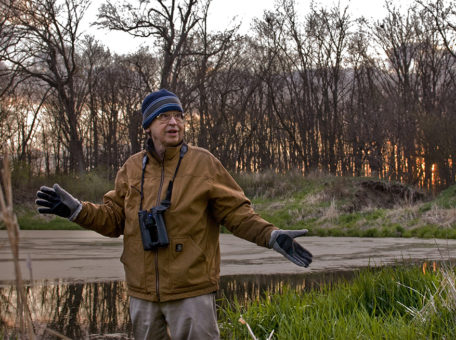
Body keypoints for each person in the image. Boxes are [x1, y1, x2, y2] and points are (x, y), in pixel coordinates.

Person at [35, 89, 312, 340]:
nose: (173, 122)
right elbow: (113, 219)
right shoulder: (131, 168)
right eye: (164, 116)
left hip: (191, 292)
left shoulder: (203, 163)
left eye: (178, 116)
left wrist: (271, 235)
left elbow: (237, 213)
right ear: (148, 126)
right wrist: (77, 211)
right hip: (142, 294)